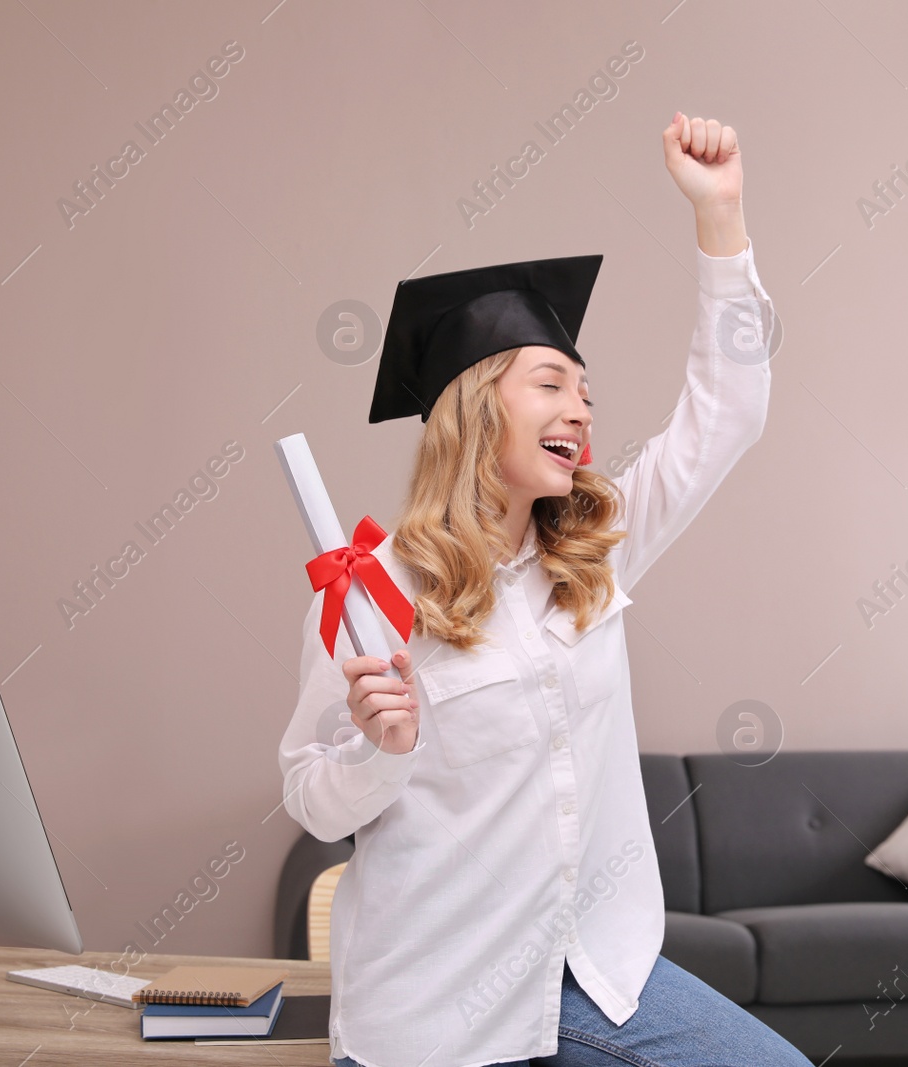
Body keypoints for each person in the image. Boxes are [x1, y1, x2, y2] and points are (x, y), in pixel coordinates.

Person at [278, 112, 803, 1067]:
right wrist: (381, 751)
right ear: (478, 406)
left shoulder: (591, 559)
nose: (581, 410)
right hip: (435, 1008)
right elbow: (312, 795)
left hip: (588, 973)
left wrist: (720, 218)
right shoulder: (370, 589)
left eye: (588, 394)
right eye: (552, 384)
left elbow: (728, 411)